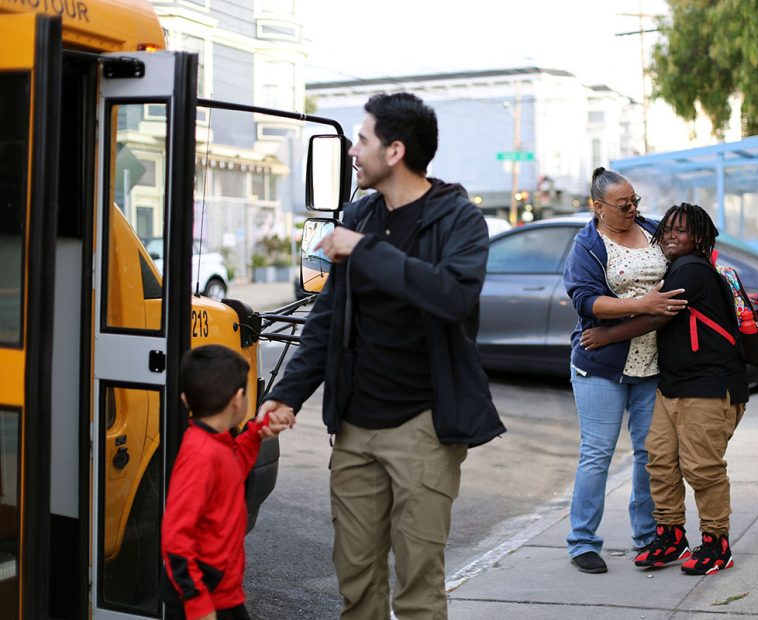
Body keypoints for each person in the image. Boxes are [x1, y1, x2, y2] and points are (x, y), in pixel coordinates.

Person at [258, 92, 505, 619]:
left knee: (417, 588)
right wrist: (286, 396)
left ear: (394, 151)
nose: (353, 150)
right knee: (356, 582)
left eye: (362, 139)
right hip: (352, 426)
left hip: (424, 427)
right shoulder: (360, 214)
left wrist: (364, 250)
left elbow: (452, 295)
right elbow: (328, 317)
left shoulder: (457, 220)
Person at [581, 202, 756, 576]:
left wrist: (605, 335)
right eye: (668, 229)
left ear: (700, 237)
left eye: (682, 230)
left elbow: (655, 315)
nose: (673, 235)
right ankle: (671, 534)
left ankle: (716, 543)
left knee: (702, 468)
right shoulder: (677, 266)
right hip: (673, 385)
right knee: (658, 460)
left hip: (709, 387)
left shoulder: (692, 270)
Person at [561, 168, 687, 574]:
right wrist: (643, 306)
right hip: (602, 366)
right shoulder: (588, 245)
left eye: (635, 201)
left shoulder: (652, 230)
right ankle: (582, 542)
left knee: (649, 455)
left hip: (653, 363)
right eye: (623, 204)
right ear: (597, 208)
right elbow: (586, 301)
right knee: (596, 454)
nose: (632, 209)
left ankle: (647, 537)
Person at [161, 345, 292, 619]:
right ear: (238, 399)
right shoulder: (200, 454)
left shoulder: (217, 443)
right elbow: (175, 538)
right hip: (202, 598)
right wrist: (197, 602)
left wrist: (257, 431)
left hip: (223, 591)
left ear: (186, 399)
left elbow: (234, 469)